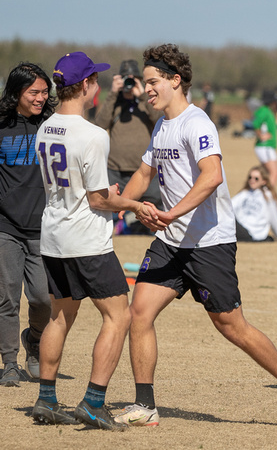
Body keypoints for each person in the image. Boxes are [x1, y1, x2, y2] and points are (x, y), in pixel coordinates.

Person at [115, 44, 277, 429]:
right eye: (145, 82)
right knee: (138, 312)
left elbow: (212, 176)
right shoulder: (161, 126)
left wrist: (171, 212)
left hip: (209, 244)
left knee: (232, 327)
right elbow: (143, 174)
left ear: (176, 81)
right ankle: (145, 405)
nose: (147, 89)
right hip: (171, 243)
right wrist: (120, 205)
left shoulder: (198, 123)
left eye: (153, 82)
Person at [31, 52, 153, 430]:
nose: (97, 86)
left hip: (53, 237)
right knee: (119, 316)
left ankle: (46, 399)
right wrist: (133, 203)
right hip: (86, 240)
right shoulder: (93, 135)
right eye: (95, 80)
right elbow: (99, 199)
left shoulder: (45, 128)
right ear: (85, 85)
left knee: (59, 316)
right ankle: (94, 402)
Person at [0, 63, 56, 387]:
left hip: (43, 227)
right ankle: (9, 362)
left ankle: (34, 341)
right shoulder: (1, 124)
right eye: (33, 92)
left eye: (44, 92)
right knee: (7, 297)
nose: (40, 98)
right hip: (5, 226)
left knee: (42, 298)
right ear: (17, 92)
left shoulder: (52, 126)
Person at [94, 59, 163, 233]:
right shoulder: (114, 103)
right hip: (116, 170)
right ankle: (117, 229)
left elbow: (161, 122)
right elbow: (100, 126)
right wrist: (112, 93)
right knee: (110, 208)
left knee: (155, 206)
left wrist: (143, 96)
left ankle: (147, 231)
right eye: (125, 78)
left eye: (133, 79)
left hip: (146, 171)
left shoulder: (148, 102)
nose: (129, 83)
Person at [232, 165, 277, 243]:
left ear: (264, 181)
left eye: (256, 179)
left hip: (252, 233)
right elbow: (229, 207)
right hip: (240, 228)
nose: (252, 180)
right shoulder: (244, 193)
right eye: (250, 177)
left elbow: (274, 219)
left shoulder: (267, 196)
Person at [253, 90, 277, 187]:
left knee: (264, 174)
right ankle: (267, 194)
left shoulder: (268, 111)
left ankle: (260, 192)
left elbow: (274, 127)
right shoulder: (264, 111)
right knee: (274, 173)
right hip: (265, 146)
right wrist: (260, 135)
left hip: (267, 146)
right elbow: (255, 124)